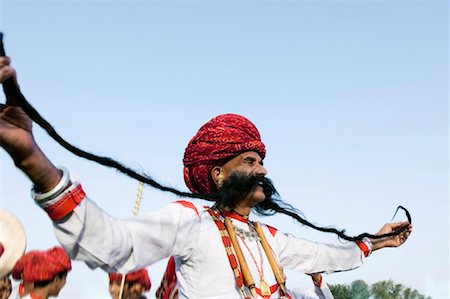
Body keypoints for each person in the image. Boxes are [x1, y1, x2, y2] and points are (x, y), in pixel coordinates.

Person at [0, 56, 412, 299]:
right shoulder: (191, 222)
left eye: (262, 160)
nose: (263, 170)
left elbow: (330, 256)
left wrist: (379, 240)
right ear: (218, 173)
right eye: (250, 160)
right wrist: (34, 159)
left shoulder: (271, 240)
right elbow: (112, 245)